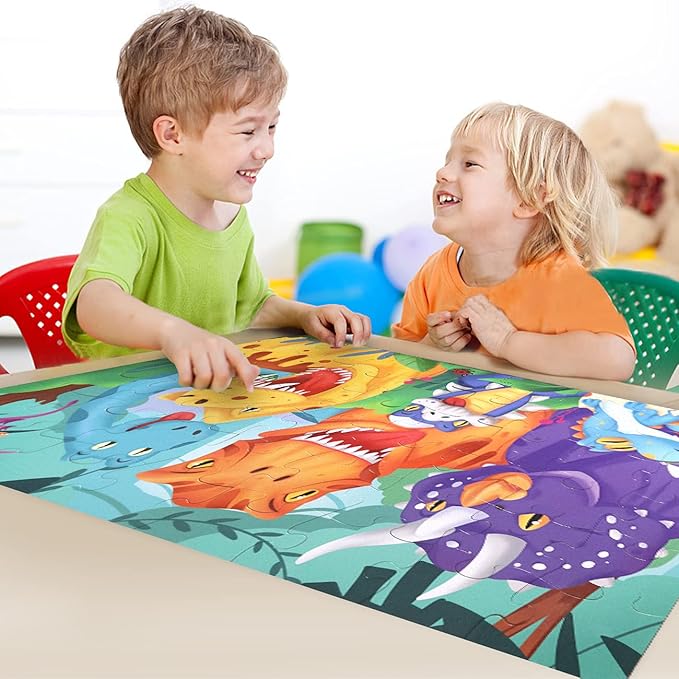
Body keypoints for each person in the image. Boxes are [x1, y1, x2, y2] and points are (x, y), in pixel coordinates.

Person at [62, 6, 370, 393]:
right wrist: (174, 333)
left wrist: (304, 315)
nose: (267, 149)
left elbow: (250, 305)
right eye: (248, 131)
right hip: (126, 406)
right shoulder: (129, 215)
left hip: (205, 404)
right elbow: (94, 305)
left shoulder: (232, 214)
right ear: (172, 135)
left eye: (272, 126)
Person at [392, 102, 636, 381]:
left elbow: (618, 360)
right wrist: (431, 347)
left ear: (528, 200)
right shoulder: (432, 274)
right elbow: (399, 364)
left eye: (469, 164)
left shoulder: (558, 278)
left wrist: (508, 341)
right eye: (448, 160)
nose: (442, 172)